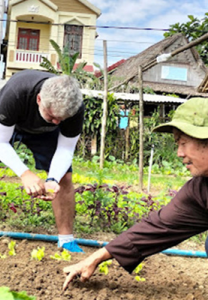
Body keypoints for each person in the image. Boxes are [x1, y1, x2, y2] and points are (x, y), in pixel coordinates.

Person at [63, 97, 208, 289]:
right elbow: (157, 226)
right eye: (177, 144)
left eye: (183, 143)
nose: (179, 153)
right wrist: (95, 258)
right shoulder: (199, 190)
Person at [0, 69, 85, 253]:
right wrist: (25, 174)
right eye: (52, 116)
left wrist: (53, 178)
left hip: (44, 135)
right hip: (9, 120)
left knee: (65, 178)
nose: (56, 122)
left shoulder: (73, 108)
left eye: (60, 119)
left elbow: (65, 148)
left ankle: (66, 240)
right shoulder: (16, 93)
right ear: (39, 99)